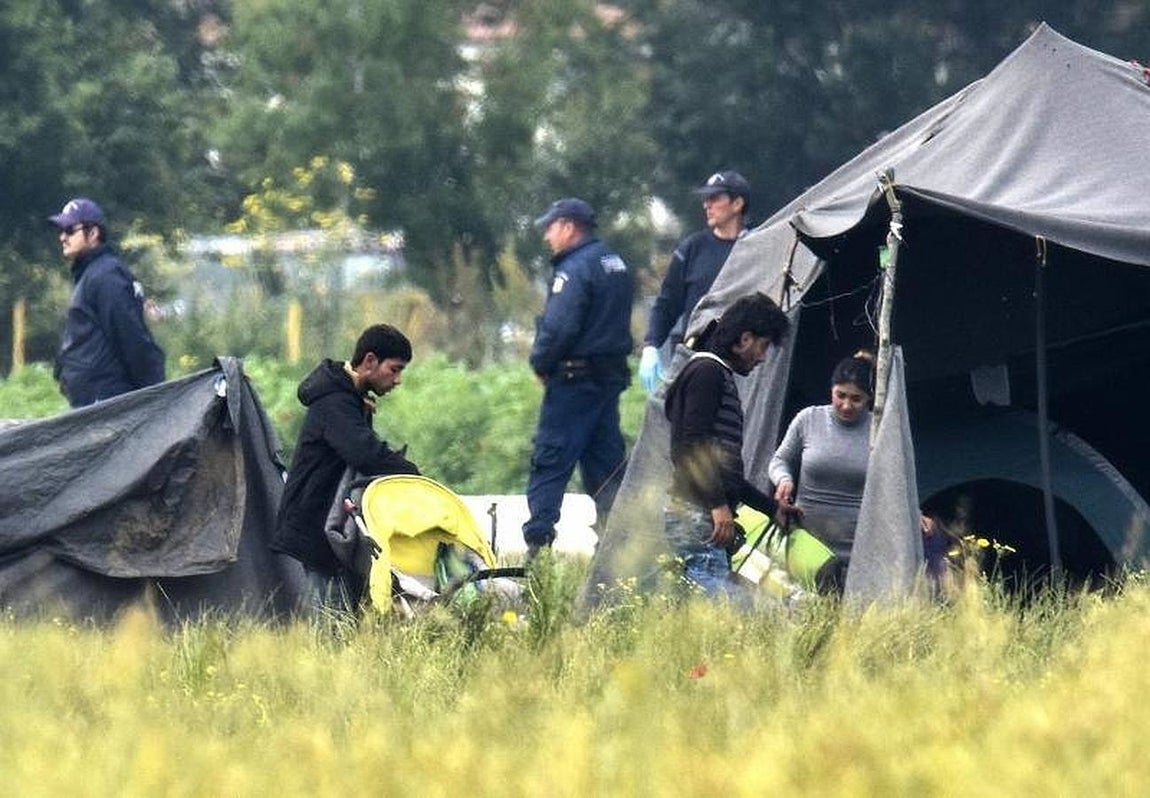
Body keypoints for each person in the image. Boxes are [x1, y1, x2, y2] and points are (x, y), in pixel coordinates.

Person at [272, 324, 420, 613]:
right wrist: (413, 475)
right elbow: (366, 454)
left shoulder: (349, 398)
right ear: (369, 361)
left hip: (332, 522)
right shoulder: (335, 402)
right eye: (395, 369)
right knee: (330, 623)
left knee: (345, 614)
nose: (398, 380)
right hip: (316, 523)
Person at [522, 198, 634, 558]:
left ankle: (537, 554)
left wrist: (540, 361)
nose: (547, 236)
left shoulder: (575, 269)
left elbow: (559, 328)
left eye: (551, 227)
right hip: (607, 383)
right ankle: (617, 555)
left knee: (550, 461)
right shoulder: (615, 264)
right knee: (607, 467)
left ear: (569, 227)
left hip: (573, 385)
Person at [663, 292, 790, 596]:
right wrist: (718, 505)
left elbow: (727, 475)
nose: (761, 357)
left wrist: (772, 508)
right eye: (763, 346)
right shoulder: (707, 372)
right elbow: (690, 448)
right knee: (719, 611)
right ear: (745, 339)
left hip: (702, 510)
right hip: (697, 512)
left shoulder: (715, 373)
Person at [768, 351, 876, 592]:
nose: (846, 405)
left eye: (856, 399)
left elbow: (894, 482)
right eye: (841, 396)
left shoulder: (879, 427)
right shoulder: (808, 419)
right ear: (831, 390)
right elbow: (780, 460)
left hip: (858, 545)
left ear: (869, 398)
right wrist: (783, 480)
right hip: (807, 539)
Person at [639, 171, 752, 393]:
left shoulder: (757, 246)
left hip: (746, 366)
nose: (706, 205)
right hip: (697, 358)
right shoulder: (692, 249)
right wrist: (651, 346)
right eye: (705, 199)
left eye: (715, 198)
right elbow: (667, 304)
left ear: (737, 203)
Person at [49, 197, 165, 407]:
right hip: (94, 402)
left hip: (107, 402)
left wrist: (157, 397)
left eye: (69, 230)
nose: (62, 237)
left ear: (93, 233)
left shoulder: (105, 276)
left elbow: (131, 337)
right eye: (61, 231)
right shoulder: (91, 274)